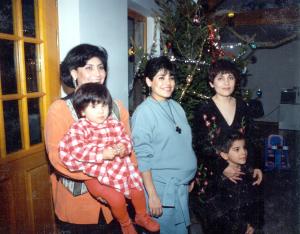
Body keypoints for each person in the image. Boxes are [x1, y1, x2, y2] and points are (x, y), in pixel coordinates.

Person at [45, 44, 135, 233]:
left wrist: (131, 184)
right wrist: (104, 178)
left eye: (101, 67)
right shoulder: (59, 109)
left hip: (117, 205)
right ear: (73, 73)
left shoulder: (117, 107)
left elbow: (130, 152)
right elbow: (57, 160)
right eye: (89, 67)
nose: (98, 73)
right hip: (78, 208)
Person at [58, 83, 160, 234]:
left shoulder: (114, 124)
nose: (101, 111)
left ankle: (141, 216)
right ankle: (125, 224)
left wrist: (123, 148)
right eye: (94, 107)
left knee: (137, 189)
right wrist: (101, 154)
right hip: (94, 174)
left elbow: (126, 140)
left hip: (118, 168)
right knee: (116, 199)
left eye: (104, 105)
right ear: (82, 111)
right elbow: (76, 151)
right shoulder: (79, 127)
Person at [192, 59, 263, 228]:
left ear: (236, 81)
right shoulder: (203, 110)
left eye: (230, 77)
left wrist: (257, 165)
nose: (226, 82)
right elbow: (201, 145)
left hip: (242, 174)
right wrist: (223, 166)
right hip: (213, 178)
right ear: (211, 83)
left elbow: (252, 138)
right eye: (220, 78)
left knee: (244, 223)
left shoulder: (243, 106)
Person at [131, 56, 197, 234]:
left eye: (171, 77)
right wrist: (152, 195)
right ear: (148, 81)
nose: (168, 83)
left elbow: (183, 144)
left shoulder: (176, 107)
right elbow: (142, 157)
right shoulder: (144, 113)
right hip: (160, 190)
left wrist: (189, 178)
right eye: (161, 77)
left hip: (180, 187)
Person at [203, 130, 261, 234]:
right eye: (237, 149)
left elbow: (255, 204)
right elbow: (214, 215)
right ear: (225, 155)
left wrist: (252, 224)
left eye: (244, 148)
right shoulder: (217, 182)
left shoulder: (249, 173)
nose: (243, 152)